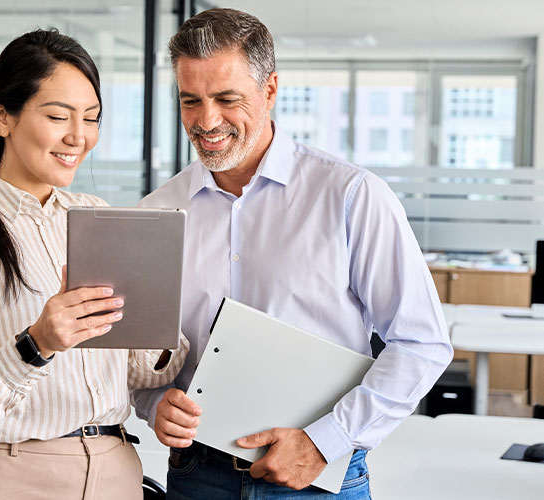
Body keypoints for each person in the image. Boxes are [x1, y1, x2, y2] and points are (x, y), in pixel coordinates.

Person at [131, 8, 453, 499]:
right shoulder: (158, 212)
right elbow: (141, 359)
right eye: (190, 100)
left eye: (226, 98)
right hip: (198, 477)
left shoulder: (350, 196)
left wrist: (326, 442)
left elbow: (421, 343)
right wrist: (156, 404)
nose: (206, 121)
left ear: (271, 90)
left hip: (316, 480)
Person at [0, 29, 188, 500]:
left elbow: (143, 372)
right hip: (12, 475)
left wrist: (159, 317)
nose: (78, 137)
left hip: (115, 471)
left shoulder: (94, 214)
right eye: (57, 116)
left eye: (92, 119)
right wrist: (37, 344)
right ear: (3, 117)